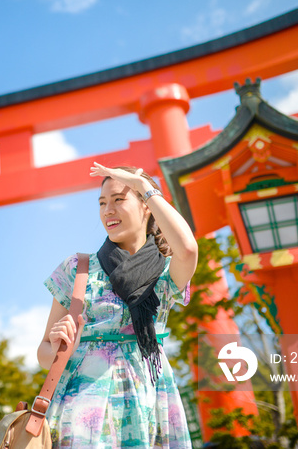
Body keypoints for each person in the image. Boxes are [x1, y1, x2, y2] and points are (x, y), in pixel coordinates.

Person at [37, 162, 198, 448]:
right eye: (102, 203)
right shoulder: (77, 268)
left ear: (146, 206)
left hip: (151, 399)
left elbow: (187, 248)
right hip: (84, 402)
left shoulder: (166, 272)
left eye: (119, 199)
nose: (107, 210)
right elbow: (43, 354)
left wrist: (143, 187)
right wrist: (60, 345)